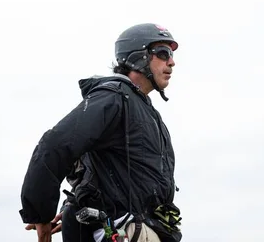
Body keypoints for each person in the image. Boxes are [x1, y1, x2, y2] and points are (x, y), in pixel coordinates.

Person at [19, 23, 183, 242]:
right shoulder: (113, 97)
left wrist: (76, 201)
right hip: (120, 231)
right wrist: (41, 215)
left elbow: (101, 169)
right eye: (163, 54)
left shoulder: (145, 111)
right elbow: (54, 146)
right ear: (138, 57)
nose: (171, 62)